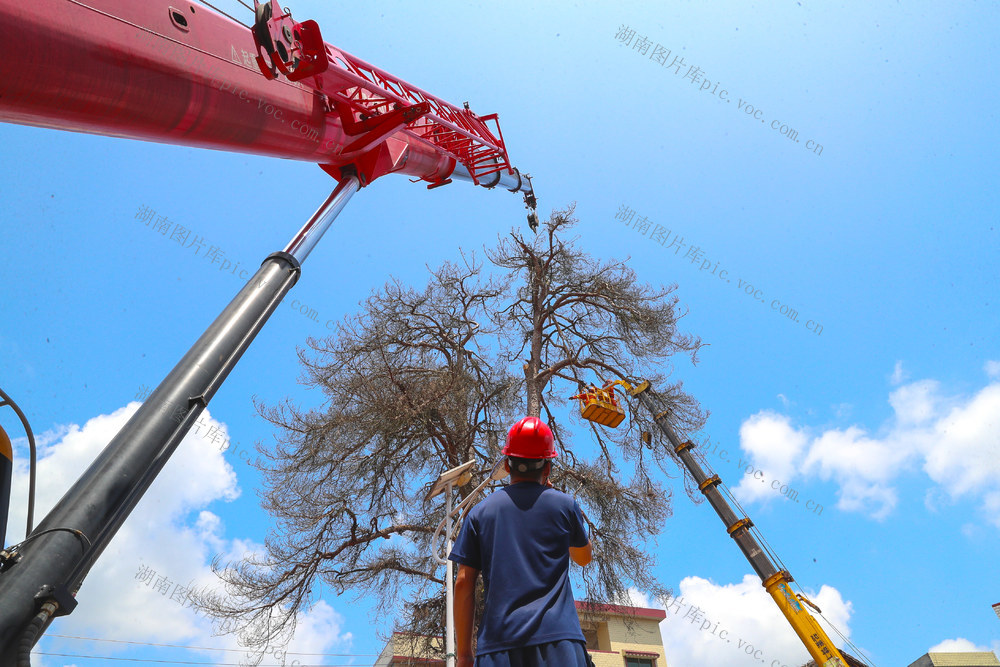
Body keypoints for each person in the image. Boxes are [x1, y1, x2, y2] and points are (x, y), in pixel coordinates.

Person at [448, 416, 594, 667]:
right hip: (560, 643)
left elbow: (463, 583)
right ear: (547, 468)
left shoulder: (480, 513)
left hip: (499, 646)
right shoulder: (564, 505)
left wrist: (464, 655)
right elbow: (583, 558)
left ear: (507, 464)